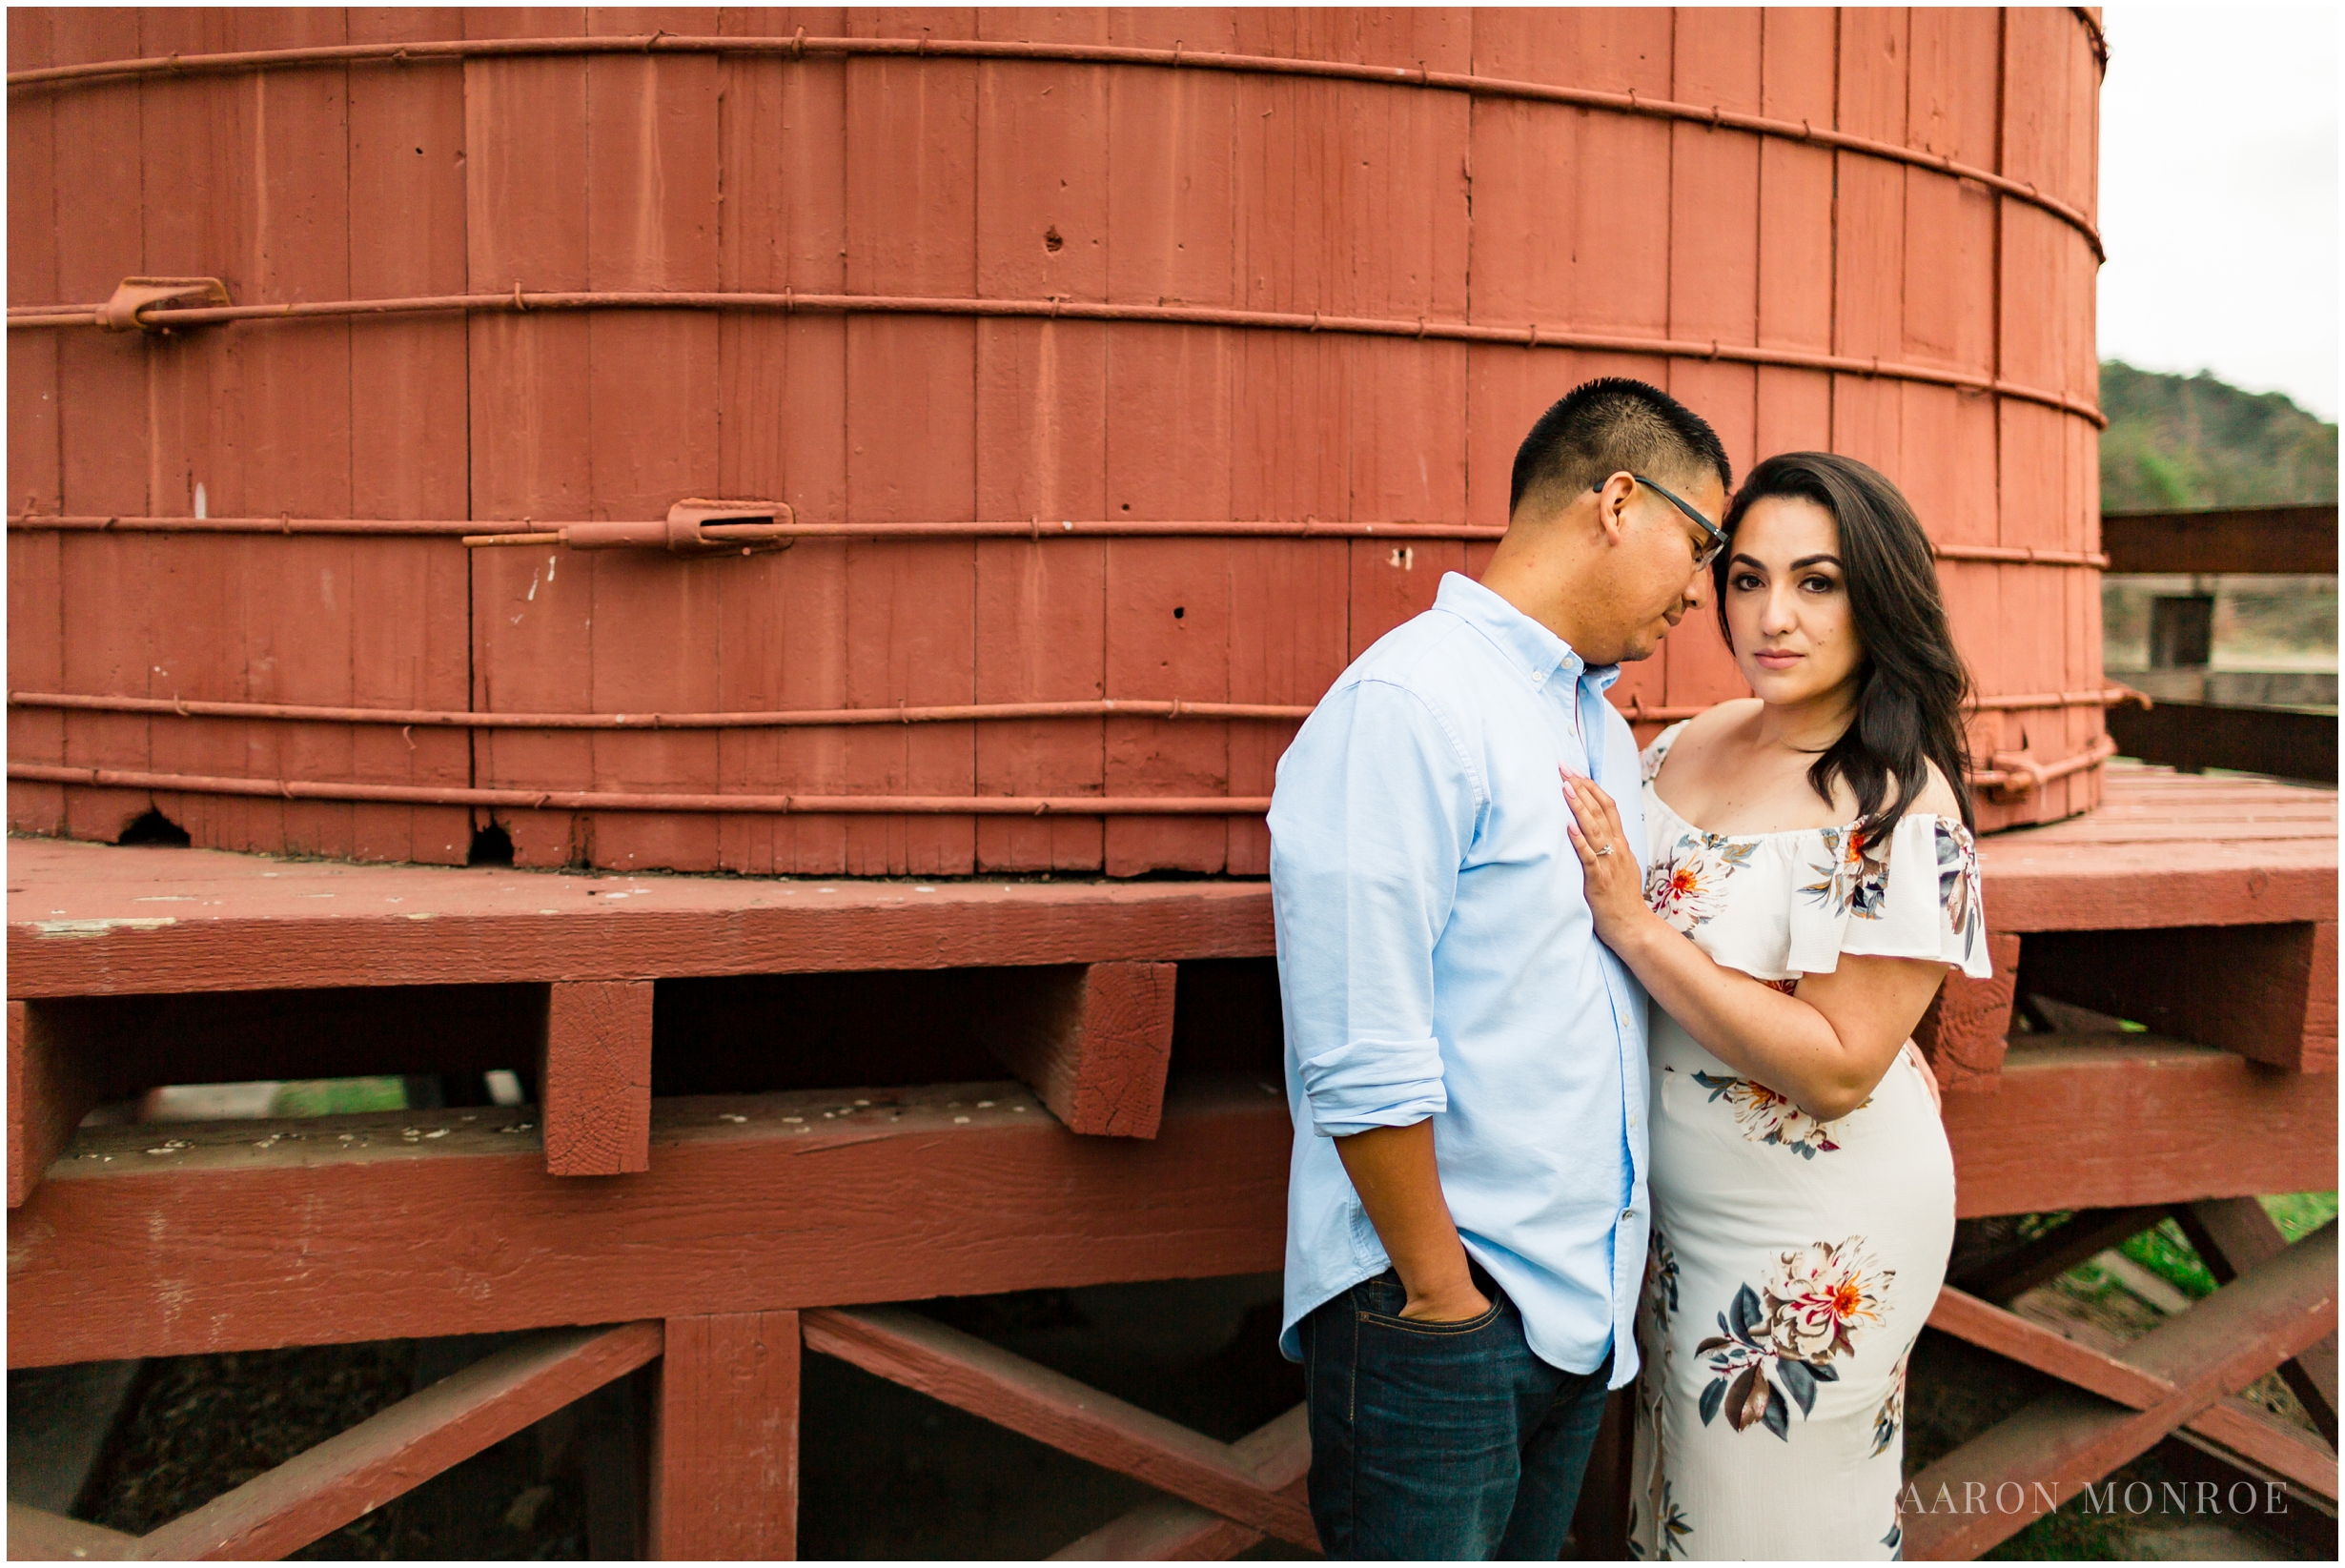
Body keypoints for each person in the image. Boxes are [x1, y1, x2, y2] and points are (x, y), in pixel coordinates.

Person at [1268, 377, 1732, 1559]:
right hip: (1444, 1314)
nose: (1703, 588)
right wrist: (1442, 1301)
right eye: (1701, 541)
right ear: (1617, 499)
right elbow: (1360, 1036)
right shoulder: (1412, 702)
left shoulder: (1594, 728)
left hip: (1572, 1319)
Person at [1559, 452, 1989, 1559]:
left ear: (1878, 594)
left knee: (1769, 1532)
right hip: (1673, 1219)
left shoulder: (1900, 800)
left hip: (1814, 1241)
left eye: (1817, 581)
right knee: (1679, 1515)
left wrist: (1639, 926)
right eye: (1745, 579)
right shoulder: (1684, 744)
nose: (1772, 616)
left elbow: (1844, 1064)